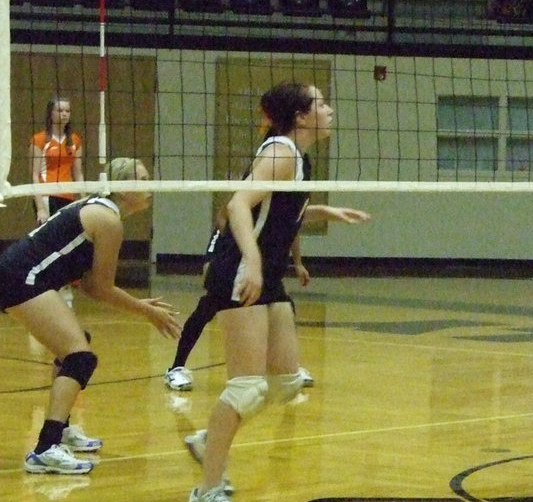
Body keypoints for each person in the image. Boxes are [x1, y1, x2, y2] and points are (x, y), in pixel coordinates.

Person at [184, 83, 370, 502]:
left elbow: (280, 209)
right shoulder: (281, 151)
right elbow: (238, 205)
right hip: (243, 271)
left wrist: (326, 212)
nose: (330, 109)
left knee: (285, 382)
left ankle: (211, 437)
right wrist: (250, 260)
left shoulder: (298, 158)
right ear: (302, 117)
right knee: (246, 386)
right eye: (321, 103)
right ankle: (207, 494)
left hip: (267, 274)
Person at [1, 157, 181, 474]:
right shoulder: (108, 221)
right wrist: (147, 311)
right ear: (124, 189)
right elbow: (100, 288)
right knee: (79, 357)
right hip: (22, 278)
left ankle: (64, 429)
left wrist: (141, 306)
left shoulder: (98, 209)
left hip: (22, 274)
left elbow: (88, 284)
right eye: (141, 179)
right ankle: (46, 448)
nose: (149, 185)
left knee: (76, 345)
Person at [164, 225, 312, 392]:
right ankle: (176, 368)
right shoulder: (231, 222)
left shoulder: (279, 215)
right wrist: (216, 280)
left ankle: (290, 368)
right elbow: (210, 261)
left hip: (259, 273)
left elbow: (292, 230)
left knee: (283, 306)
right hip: (228, 274)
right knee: (204, 311)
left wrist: (298, 263)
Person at [30, 96, 85, 225]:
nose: (64, 114)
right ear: (51, 113)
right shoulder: (39, 140)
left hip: (68, 196)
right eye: (60, 111)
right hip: (47, 196)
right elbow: (34, 175)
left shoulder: (74, 140)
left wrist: (84, 200)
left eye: (67, 111)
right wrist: (40, 209)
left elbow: (78, 174)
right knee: (50, 240)